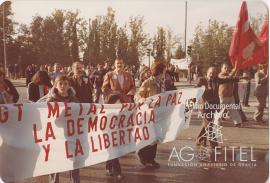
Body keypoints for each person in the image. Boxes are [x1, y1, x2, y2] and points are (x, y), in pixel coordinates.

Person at [38, 75, 80, 183]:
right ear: (55, 85)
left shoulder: (75, 100)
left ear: (69, 85)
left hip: (71, 135)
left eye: (65, 84)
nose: (63, 86)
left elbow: (81, 115)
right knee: (55, 163)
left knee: (74, 162)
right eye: (60, 83)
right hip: (56, 136)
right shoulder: (50, 100)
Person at [102, 57, 135, 182]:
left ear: (123, 64)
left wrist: (130, 93)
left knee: (120, 134)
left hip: (125, 105)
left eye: (121, 63)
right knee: (112, 136)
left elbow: (133, 87)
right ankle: (112, 167)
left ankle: (109, 165)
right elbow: (103, 88)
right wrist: (114, 93)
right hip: (113, 105)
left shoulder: (128, 75)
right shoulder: (109, 74)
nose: (119, 65)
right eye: (117, 63)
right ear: (114, 65)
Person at [196, 66, 240, 148]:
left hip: (213, 105)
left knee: (206, 123)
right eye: (211, 73)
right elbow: (196, 90)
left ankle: (200, 139)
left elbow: (228, 79)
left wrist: (238, 78)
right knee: (209, 124)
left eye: (214, 73)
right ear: (207, 72)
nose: (212, 75)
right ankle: (214, 144)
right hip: (204, 106)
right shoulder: (202, 80)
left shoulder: (216, 79)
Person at [135, 61, 167, 168]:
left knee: (156, 137)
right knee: (149, 136)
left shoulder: (162, 82)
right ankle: (143, 156)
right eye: (163, 71)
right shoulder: (147, 82)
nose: (164, 74)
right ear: (159, 72)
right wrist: (142, 99)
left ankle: (151, 159)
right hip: (148, 115)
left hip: (158, 114)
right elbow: (137, 95)